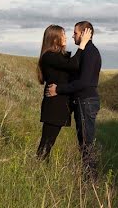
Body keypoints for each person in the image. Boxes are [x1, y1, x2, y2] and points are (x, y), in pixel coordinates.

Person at [47, 21, 102, 180]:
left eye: (75, 33)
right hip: (83, 102)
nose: (72, 35)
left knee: (86, 143)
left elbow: (83, 82)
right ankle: (89, 179)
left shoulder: (90, 53)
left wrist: (58, 89)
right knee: (84, 143)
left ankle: (91, 180)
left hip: (86, 102)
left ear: (85, 33)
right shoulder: (85, 51)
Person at [36, 24, 90, 160]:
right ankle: (36, 168)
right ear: (54, 39)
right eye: (63, 35)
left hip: (58, 104)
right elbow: (73, 64)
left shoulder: (58, 56)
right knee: (47, 143)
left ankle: (39, 168)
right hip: (54, 105)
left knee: (48, 142)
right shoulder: (49, 56)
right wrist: (82, 45)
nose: (66, 37)